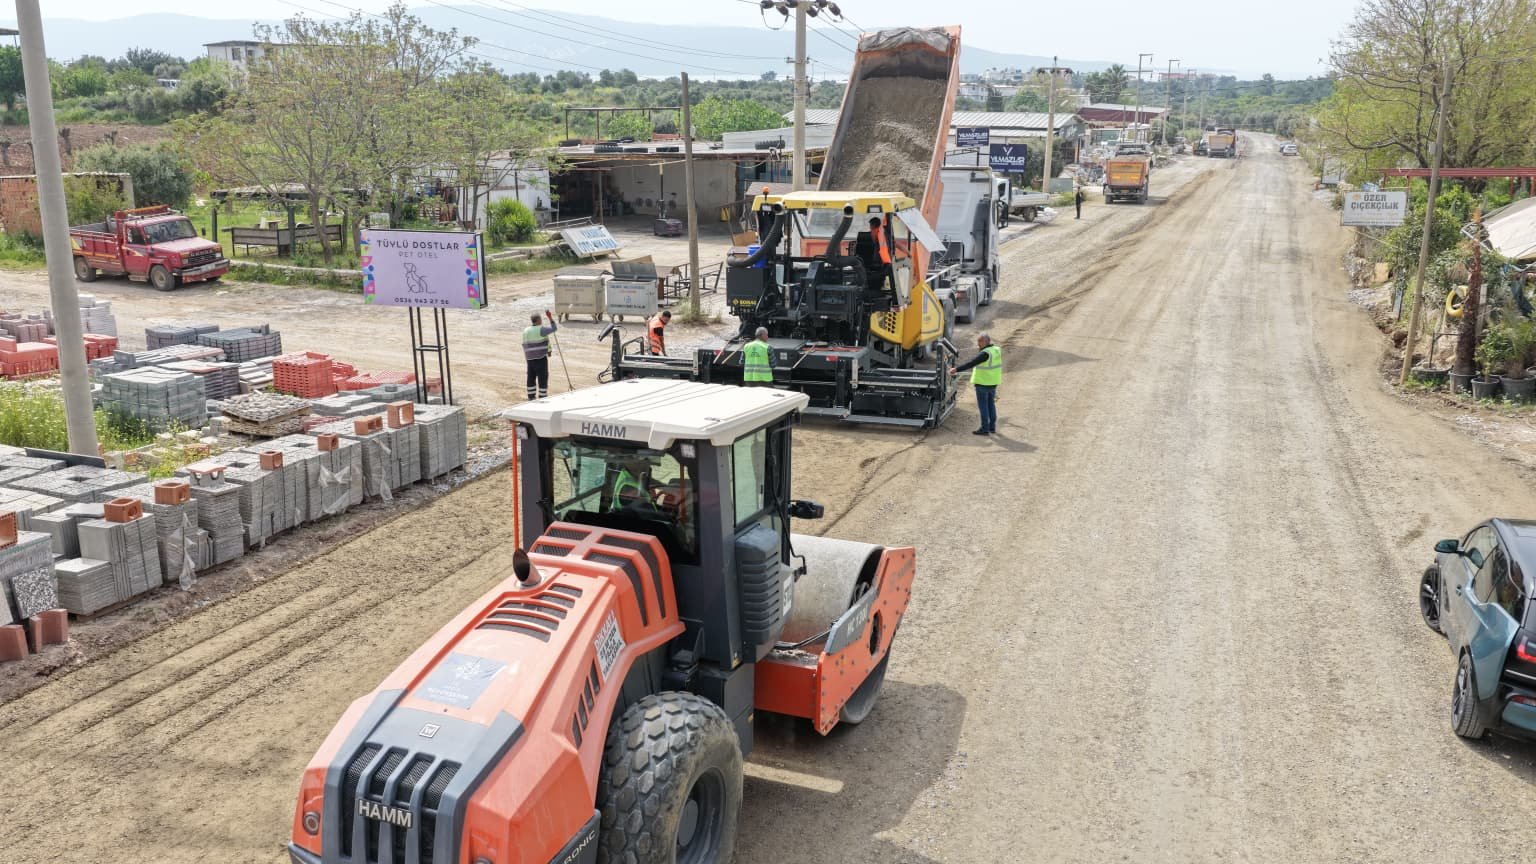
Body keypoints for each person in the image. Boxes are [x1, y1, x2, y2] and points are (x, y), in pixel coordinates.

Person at [952, 333, 1002, 435]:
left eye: (980, 341)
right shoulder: (996, 350)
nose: (978, 344)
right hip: (993, 383)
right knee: (991, 405)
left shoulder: (985, 353)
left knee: (983, 407)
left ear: (986, 341)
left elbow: (971, 363)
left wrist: (956, 369)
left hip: (983, 383)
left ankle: (984, 429)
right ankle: (992, 427)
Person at [521, 309, 557, 400]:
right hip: (540, 359)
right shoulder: (541, 329)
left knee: (531, 378)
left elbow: (524, 346)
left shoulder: (525, 331)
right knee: (542, 378)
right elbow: (554, 328)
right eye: (540, 319)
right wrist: (550, 317)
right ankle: (542, 397)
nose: (541, 321)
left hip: (529, 359)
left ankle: (531, 397)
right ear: (538, 320)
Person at [868, 216, 895, 293]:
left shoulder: (878, 234)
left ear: (873, 227)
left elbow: (873, 241)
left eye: (871, 228)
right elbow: (895, 243)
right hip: (886, 264)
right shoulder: (885, 233)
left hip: (881, 265)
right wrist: (907, 252)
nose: (870, 230)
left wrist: (872, 233)